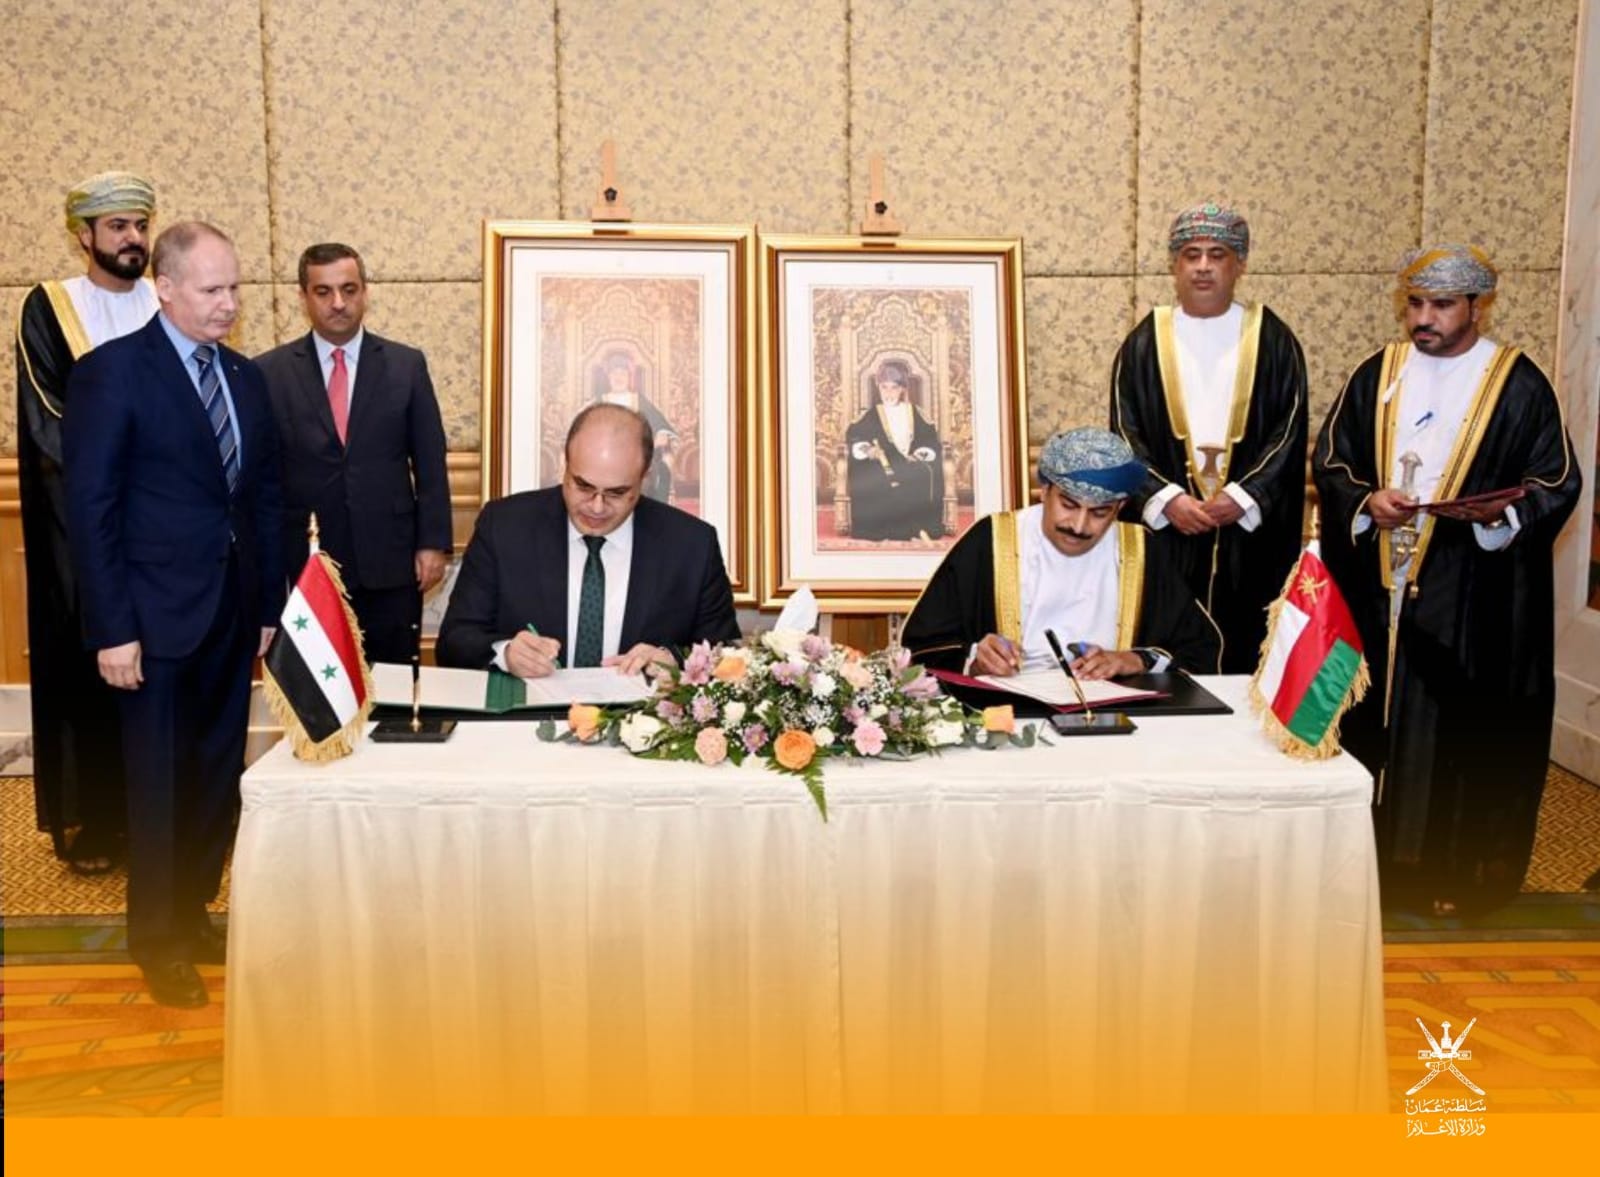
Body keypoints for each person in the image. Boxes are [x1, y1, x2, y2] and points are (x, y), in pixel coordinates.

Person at [1313, 244, 1580, 917]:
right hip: (1378, 585)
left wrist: (1498, 516)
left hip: (1471, 595)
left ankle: (1453, 874)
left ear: (1477, 308)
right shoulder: (1379, 372)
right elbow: (1332, 460)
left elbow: (1556, 481)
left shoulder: (1518, 383)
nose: (1423, 319)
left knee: (1455, 730)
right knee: (1371, 719)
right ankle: (1365, 863)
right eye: (1414, 303)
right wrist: (1367, 501)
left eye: (1440, 305)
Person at [64, 222, 284, 1007]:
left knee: (215, 777)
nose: (229, 304)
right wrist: (112, 628)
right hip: (150, 623)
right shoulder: (112, 374)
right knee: (158, 784)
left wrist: (266, 606)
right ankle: (156, 940)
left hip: (231, 614)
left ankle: (192, 913)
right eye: (212, 289)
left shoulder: (245, 377)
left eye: (236, 288)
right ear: (165, 288)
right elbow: (91, 510)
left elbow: (263, 498)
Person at [14, 170, 159, 874]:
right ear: (83, 235)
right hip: (84, 522)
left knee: (165, 667)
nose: (134, 238)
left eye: (141, 225)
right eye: (118, 226)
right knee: (93, 668)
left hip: (166, 522)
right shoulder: (51, 306)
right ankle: (98, 820)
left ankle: (166, 817)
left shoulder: (168, 298)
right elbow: (49, 419)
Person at [1111, 203, 1308, 672]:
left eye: (1216, 255)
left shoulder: (1273, 339)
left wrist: (1243, 496)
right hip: (1169, 529)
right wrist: (1167, 499)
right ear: (1174, 265)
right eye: (1191, 254)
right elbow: (1124, 433)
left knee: (1246, 648)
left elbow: (1290, 429)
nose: (1203, 266)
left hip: (1248, 535)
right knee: (1166, 645)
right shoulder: (1144, 342)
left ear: (1239, 264)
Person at [437, 403, 739, 675]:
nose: (596, 507)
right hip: (528, 715)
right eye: (583, 486)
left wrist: (673, 661)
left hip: (640, 716)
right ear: (565, 465)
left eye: (617, 493)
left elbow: (727, 654)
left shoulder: (691, 545)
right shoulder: (505, 526)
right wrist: (505, 653)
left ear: (645, 478)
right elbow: (455, 641)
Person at [256, 243, 450, 664]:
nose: (338, 303)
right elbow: (263, 479)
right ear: (303, 297)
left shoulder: (406, 365)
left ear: (365, 292)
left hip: (391, 561)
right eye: (323, 292)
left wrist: (433, 543)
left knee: (393, 683)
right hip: (309, 563)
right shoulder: (269, 372)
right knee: (318, 686)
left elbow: (430, 461)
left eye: (348, 289)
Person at [902, 427, 1220, 678]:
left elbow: (1200, 647)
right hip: (1009, 715)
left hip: (1111, 718)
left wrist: (1133, 660)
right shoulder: (990, 540)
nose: (1079, 526)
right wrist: (975, 659)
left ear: (1120, 507)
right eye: (1068, 505)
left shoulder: (1140, 550)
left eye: (1099, 513)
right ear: (1045, 491)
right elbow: (923, 648)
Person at [844, 358, 945, 540]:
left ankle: (922, 527)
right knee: (873, 476)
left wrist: (919, 454)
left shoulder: (916, 413)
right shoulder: (870, 415)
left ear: (902, 389)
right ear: (879, 388)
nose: (889, 393)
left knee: (924, 472)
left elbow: (929, 440)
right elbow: (855, 438)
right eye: (884, 387)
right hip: (882, 463)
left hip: (911, 462)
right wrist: (868, 450)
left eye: (894, 388)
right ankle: (885, 530)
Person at [592, 348, 676, 503]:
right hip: (607, 454)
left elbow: (660, 426)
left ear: (629, 377)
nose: (619, 377)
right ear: (609, 377)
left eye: (622, 374)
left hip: (636, 452)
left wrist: (659, 436)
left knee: (660, 469)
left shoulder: (638, 400)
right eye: (615, 374)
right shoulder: (600, 401)